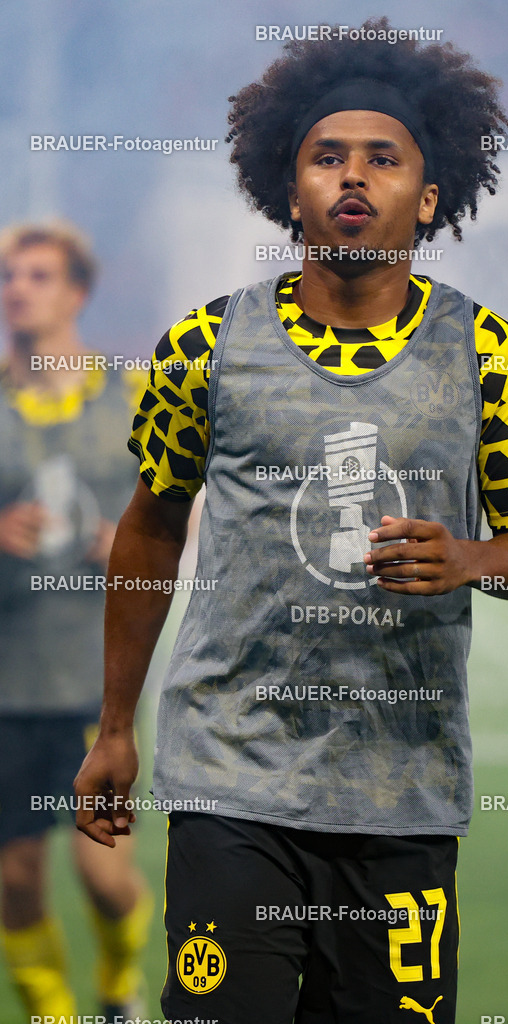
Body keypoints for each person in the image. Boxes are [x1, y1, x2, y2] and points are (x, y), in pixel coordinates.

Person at [75, 19, 508, 1023]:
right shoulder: (205, 344)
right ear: (287, 186)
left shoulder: (488, 352)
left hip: (402, 791)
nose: (351, 177)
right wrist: (115, 727)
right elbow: (149, 530)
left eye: (381, 159)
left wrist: (468, 555)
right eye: (326, 157)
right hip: (231, 775)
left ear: (427, 196)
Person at [0, 222, 153, 1020]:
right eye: (9, 277)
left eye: (38, 275)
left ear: (76, 293)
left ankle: (118, 984)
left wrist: (133, 538)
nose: (18, 289)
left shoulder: (129, 395)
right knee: (17, 878)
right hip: (8, 680)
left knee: (106, 872)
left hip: (101, 682)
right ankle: (51, 1014)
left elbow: (177, 511)